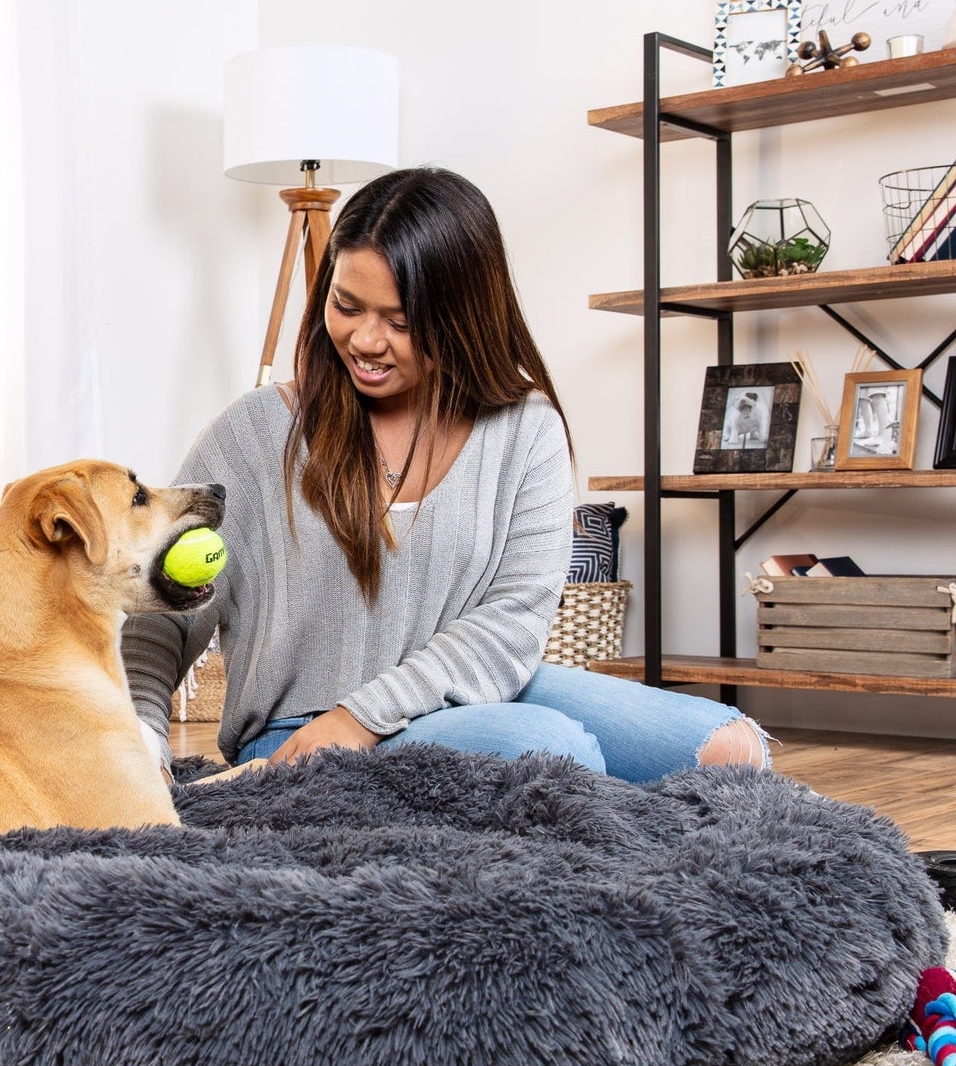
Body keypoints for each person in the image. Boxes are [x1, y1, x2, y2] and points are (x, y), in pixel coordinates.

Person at [122, 166, 769, 783]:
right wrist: (140, 747)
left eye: (399, 321)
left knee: (730, 749)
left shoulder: (525, 429)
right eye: (347, 305)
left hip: (466, 690)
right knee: (554, 752)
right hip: (304, 729)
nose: (366, 340)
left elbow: (513, 621)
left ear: (463, 318)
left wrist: (364, 717)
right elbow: (161, 618)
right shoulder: (254, 432)